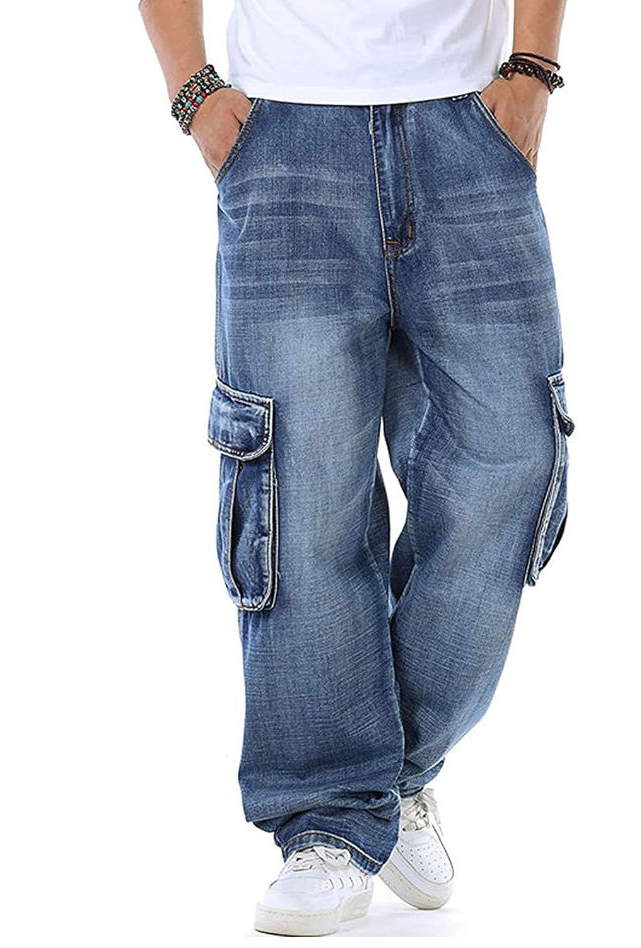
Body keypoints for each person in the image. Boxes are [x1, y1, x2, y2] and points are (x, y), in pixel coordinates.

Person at [141, 0, 573, 935]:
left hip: (470, 123)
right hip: (285, 133)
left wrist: (533, 69)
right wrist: (191, 91)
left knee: (514, 454)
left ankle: (382, 778)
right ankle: (332, 823)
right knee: (299, 495)